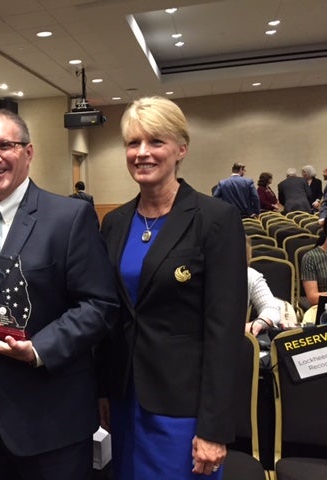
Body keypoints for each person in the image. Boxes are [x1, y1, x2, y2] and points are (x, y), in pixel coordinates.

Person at [0, 109, 119, 479]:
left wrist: (40, 349)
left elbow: (100, 305)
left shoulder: (68, 218)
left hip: (49, 412)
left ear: (28, 152)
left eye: (4, 146)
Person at [96, 96, 246, 479]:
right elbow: (109, 316)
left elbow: (224, 331)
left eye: (155, 142)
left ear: (181, 149)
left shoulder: (215, 219)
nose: (142, 153)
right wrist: (102, 389)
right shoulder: (114, 222)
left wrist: (214, 428)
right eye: (133, 143)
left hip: (183, 407)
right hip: (124, 399)